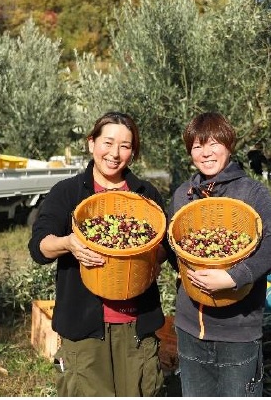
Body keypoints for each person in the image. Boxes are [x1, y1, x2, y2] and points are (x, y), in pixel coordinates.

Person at [28, 111, 167, 396]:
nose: (115, 154)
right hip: (85, 328)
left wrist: (156, 258)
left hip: (136, 326)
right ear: (91, 143)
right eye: (108, 142)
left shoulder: (145, 194)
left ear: (133, 152)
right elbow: (39, 245)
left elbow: (165, 244)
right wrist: (69, 243)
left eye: (125, 146)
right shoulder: (68, 193)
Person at [167, 112, 271, 397]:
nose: (206, 152)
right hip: (189, 329)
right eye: (197, 146)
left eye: (213, 143)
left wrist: (234, 277)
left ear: (229, 145)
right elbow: (173, 247)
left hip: (238, 332)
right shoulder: (182, 195)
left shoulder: (251, 192)